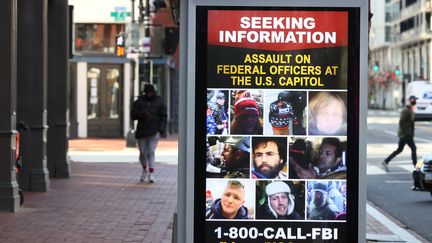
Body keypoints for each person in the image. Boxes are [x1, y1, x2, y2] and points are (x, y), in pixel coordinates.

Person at [131, 84, 167, 183]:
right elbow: (133, 115)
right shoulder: (139, 102)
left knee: (151, 151)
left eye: (151, 92)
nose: (150, 94)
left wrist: (161, 128)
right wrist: (141, 114)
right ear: (145, 92)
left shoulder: (159, 101)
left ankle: (151, 173)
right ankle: (144, 169)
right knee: (143, 152)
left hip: (154, 130)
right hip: (142, 130)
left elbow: (163, 116)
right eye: (148, 92)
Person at [380, 95, 418, 172]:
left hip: (406, 134)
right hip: (405, 135)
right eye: (413, 100)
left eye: (415, 100)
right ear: (410, 100)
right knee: (413, 148)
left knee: (399, 149)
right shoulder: (406, 110)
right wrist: (406, 133)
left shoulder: (410, 110)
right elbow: (401, 122)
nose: (415, 101)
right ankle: (416, 166)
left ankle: (386, 161)